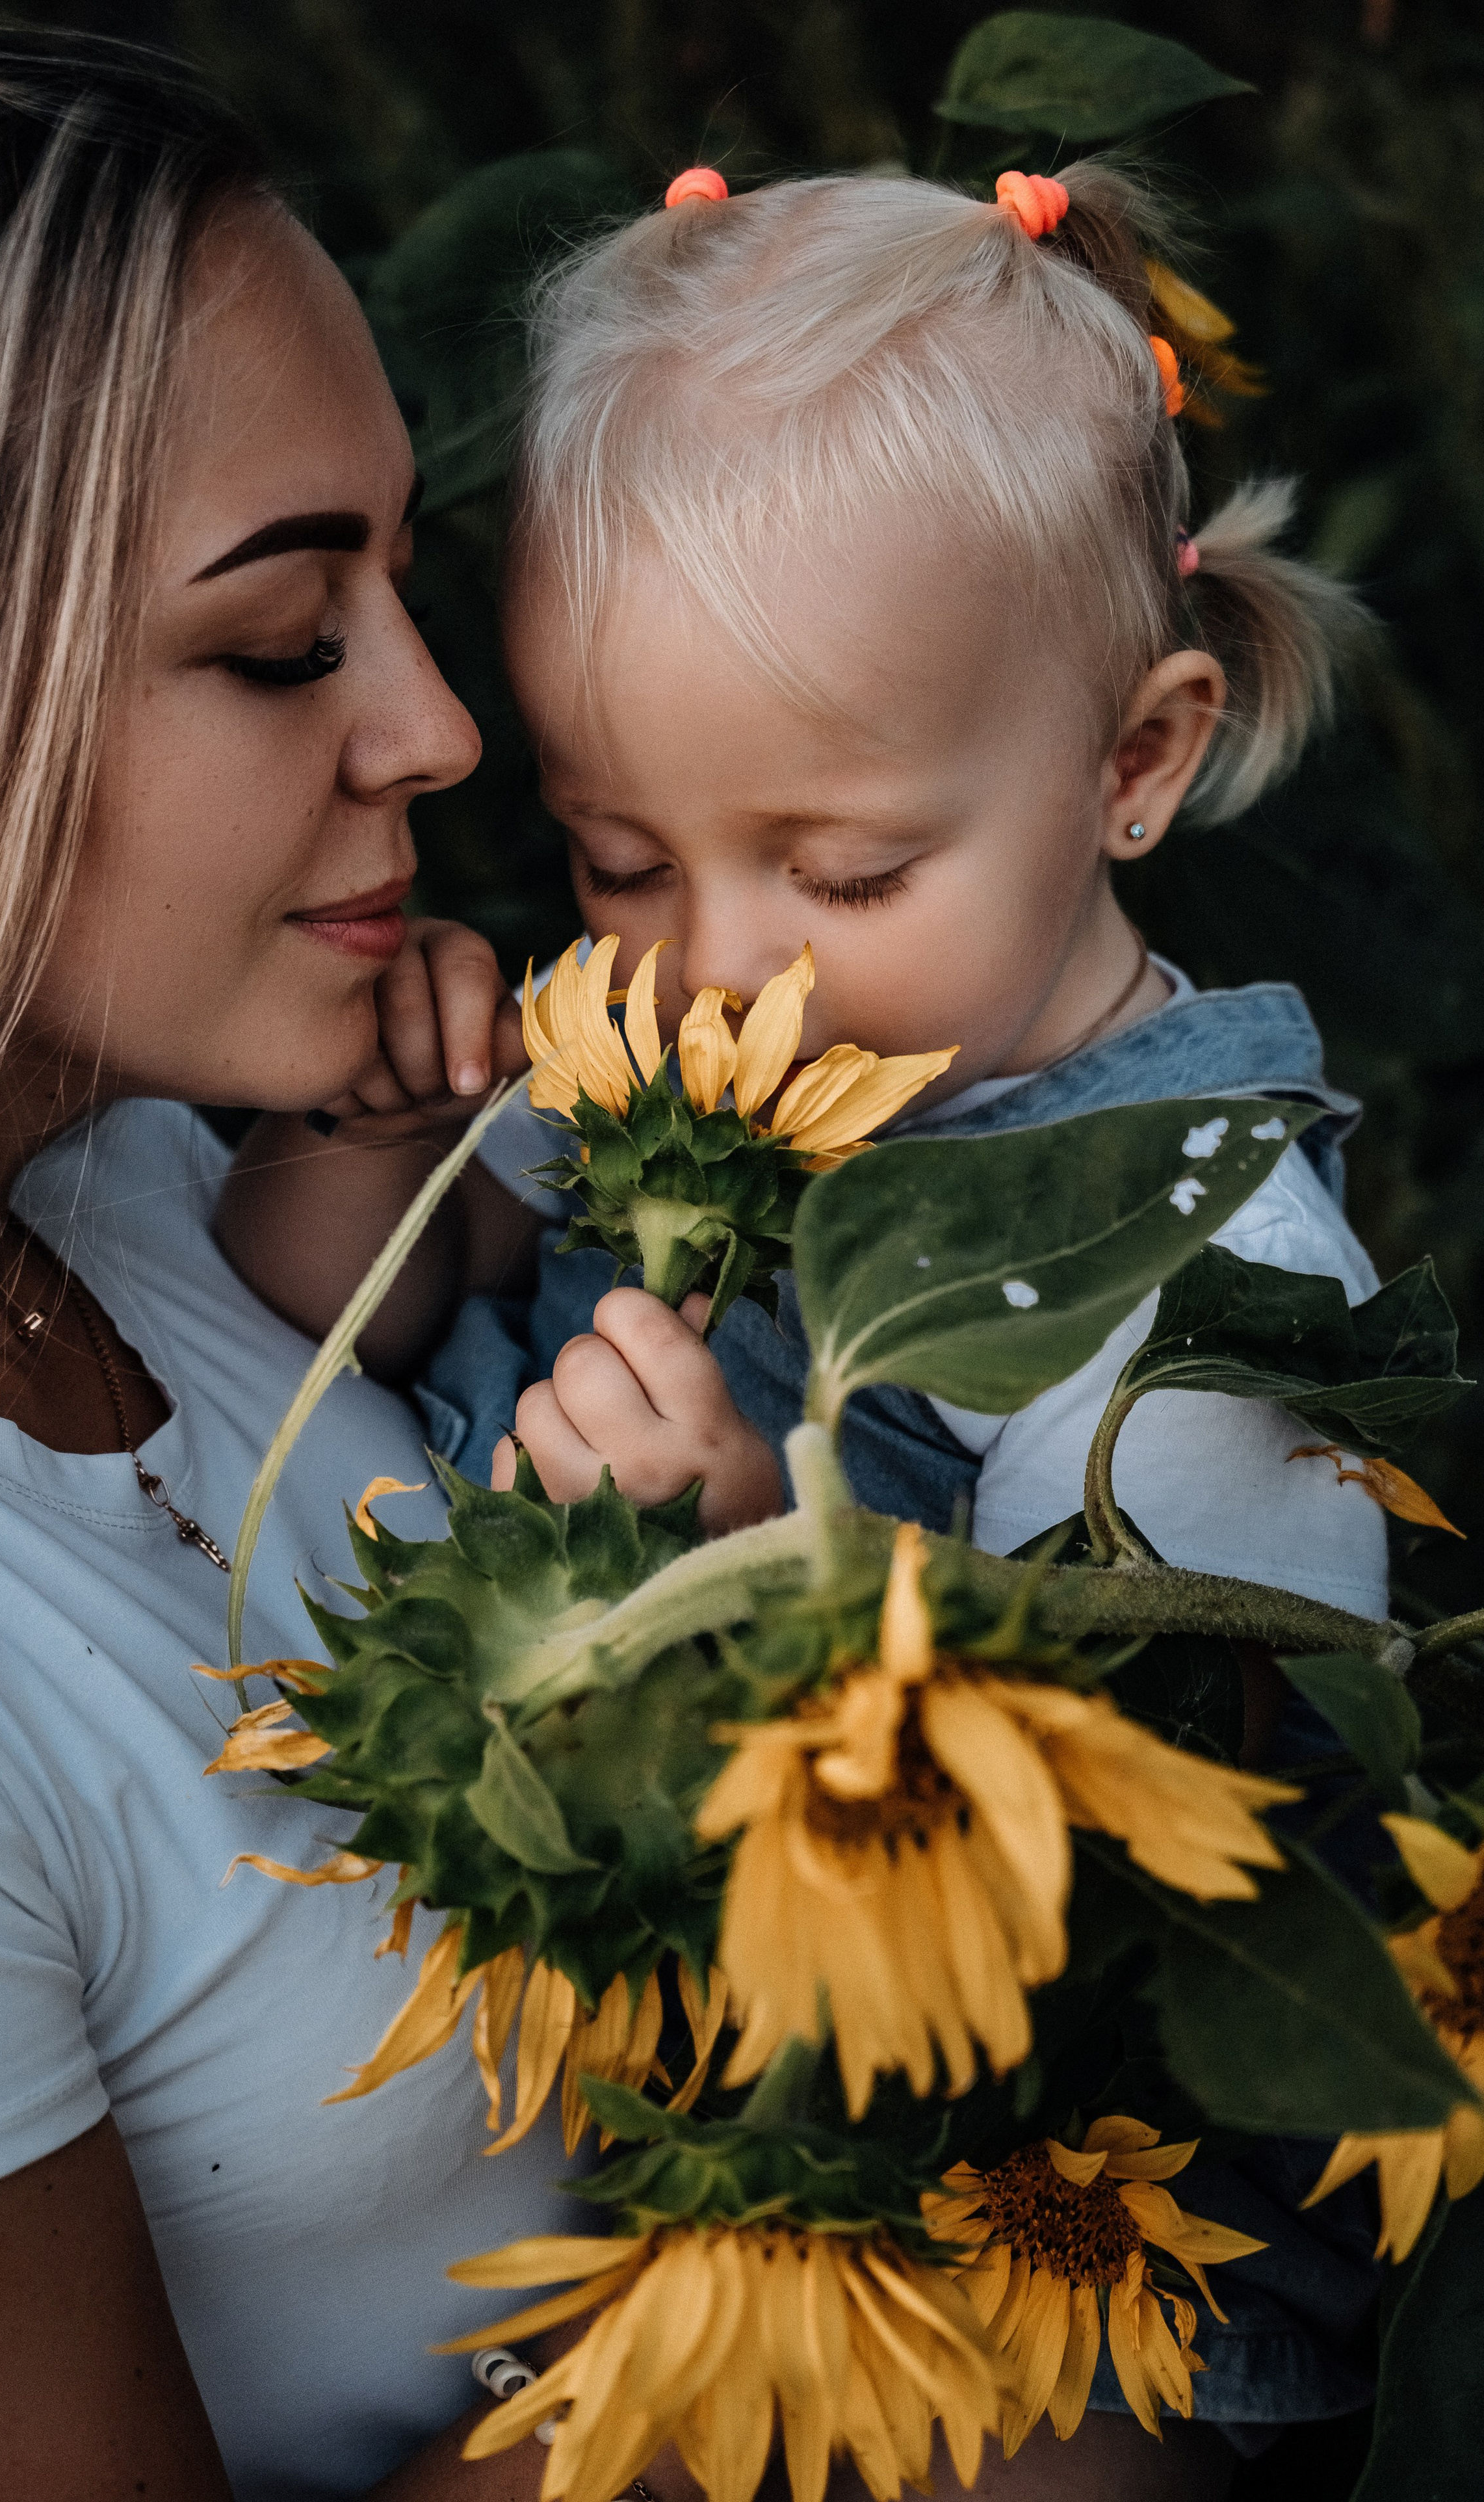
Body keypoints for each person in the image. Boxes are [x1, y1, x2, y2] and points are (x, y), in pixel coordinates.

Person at [220, 165, 1387, 2492]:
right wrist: (385, 1136)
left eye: (841, 871)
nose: (716, 963)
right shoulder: (665, 1044)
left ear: (1134, 762)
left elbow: (1192, 1881)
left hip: (1039, 2282)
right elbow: (318, 1302)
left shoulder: (1205, 1288)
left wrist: (784, 1576)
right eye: (616, 855)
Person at [0, 30, 603, 2502]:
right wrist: (877, 2337)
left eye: (401, 582)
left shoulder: (170, 1180)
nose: (441, 725)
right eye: (287, 640)